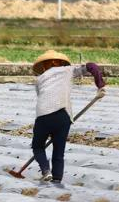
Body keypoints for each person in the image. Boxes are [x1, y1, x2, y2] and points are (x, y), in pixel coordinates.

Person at [31, 50, 106, 185]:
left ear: (54, 62)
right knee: (59, 151)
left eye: (45, 64)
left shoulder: (40, 79)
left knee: (37, 147)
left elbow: (41, 97)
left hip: (44, 115)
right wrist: (100, 85)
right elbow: (92, 66)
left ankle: (45, 171)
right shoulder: (68, 71)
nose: (43, 67)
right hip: (63, 115)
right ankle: (57, 179)